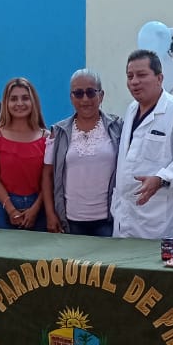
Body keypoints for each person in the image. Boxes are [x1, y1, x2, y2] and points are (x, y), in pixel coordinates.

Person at [111, 48, 173, 239]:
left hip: (161, 217)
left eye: (141, 75)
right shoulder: (131, 109)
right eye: (130, 76)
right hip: (126, 214)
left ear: (159, 78)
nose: (134, 81)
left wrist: (161, 178)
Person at [42, 69, 123, 236]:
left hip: (109, 220)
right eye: (78, 93)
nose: (85, 99)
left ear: (101, 95)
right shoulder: (58, 132)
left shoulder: (118, 128)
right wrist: (50, 214)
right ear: (71, 97)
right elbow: (47, 175)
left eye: (91, 92)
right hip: (70, 221)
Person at [0, 78, 50, 230]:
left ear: (33, 101)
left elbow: (49, 178)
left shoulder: (47, 137)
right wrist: (11, 210)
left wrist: (35, 209)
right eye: (13, 99)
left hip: (39, 209)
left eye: (25, 98)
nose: (19, 103)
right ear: (6, 103)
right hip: (4, 208)